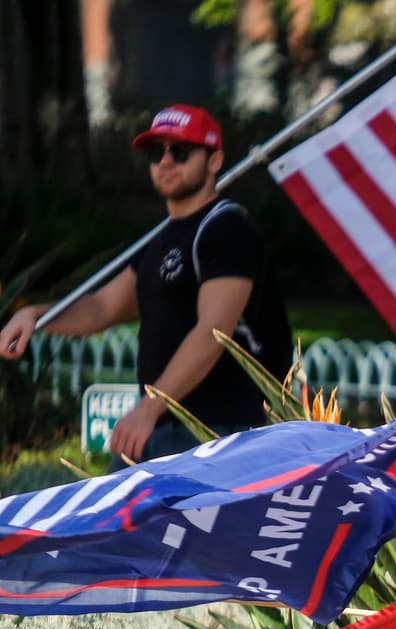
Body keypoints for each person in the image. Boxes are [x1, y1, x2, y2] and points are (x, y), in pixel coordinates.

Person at [0, 104, 292, 465]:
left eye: (181, 151)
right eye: (157, 153)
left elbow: (214, 332)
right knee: (106, 521)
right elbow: (101, 309)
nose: (166, 161)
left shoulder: (226, 227)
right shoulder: (158, 240)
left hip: (220, 432)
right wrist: (36, 315)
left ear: (214, 161)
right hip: (159, 430)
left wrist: (148, 409)